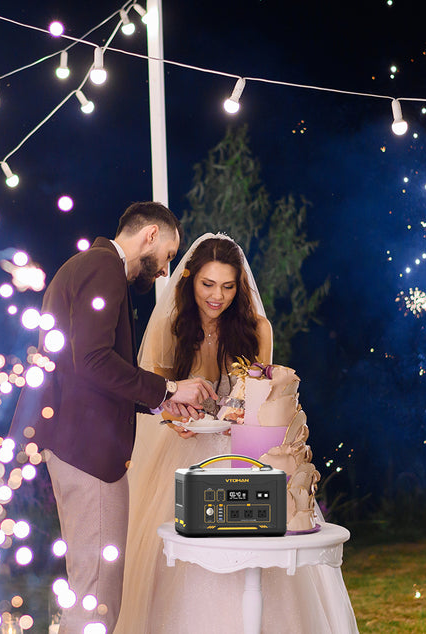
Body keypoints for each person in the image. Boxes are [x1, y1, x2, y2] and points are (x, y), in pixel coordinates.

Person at [116, 233, 358, 634]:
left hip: (244, 451)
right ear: (190, 279)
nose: (217, 296)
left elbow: (263, 399)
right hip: (184, 453)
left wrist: (241, 411)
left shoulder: (257, 328)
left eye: (228, 286)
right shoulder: (172, 325)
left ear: (239, 286)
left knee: (261, 552)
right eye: (207, 285)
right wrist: (173, 418)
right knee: (178, 553)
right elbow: (155, 396)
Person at [8, 202, 217, 634]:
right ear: (151, 237)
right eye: (169, 256)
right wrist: (169, 389)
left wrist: (161, 403)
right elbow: (94, 361)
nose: (165, 270)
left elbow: (91, 370)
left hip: (75, 442)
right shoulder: (104, 269)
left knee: (91, 590)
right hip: (88, 452)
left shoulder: (86, 265)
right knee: (98, 598)